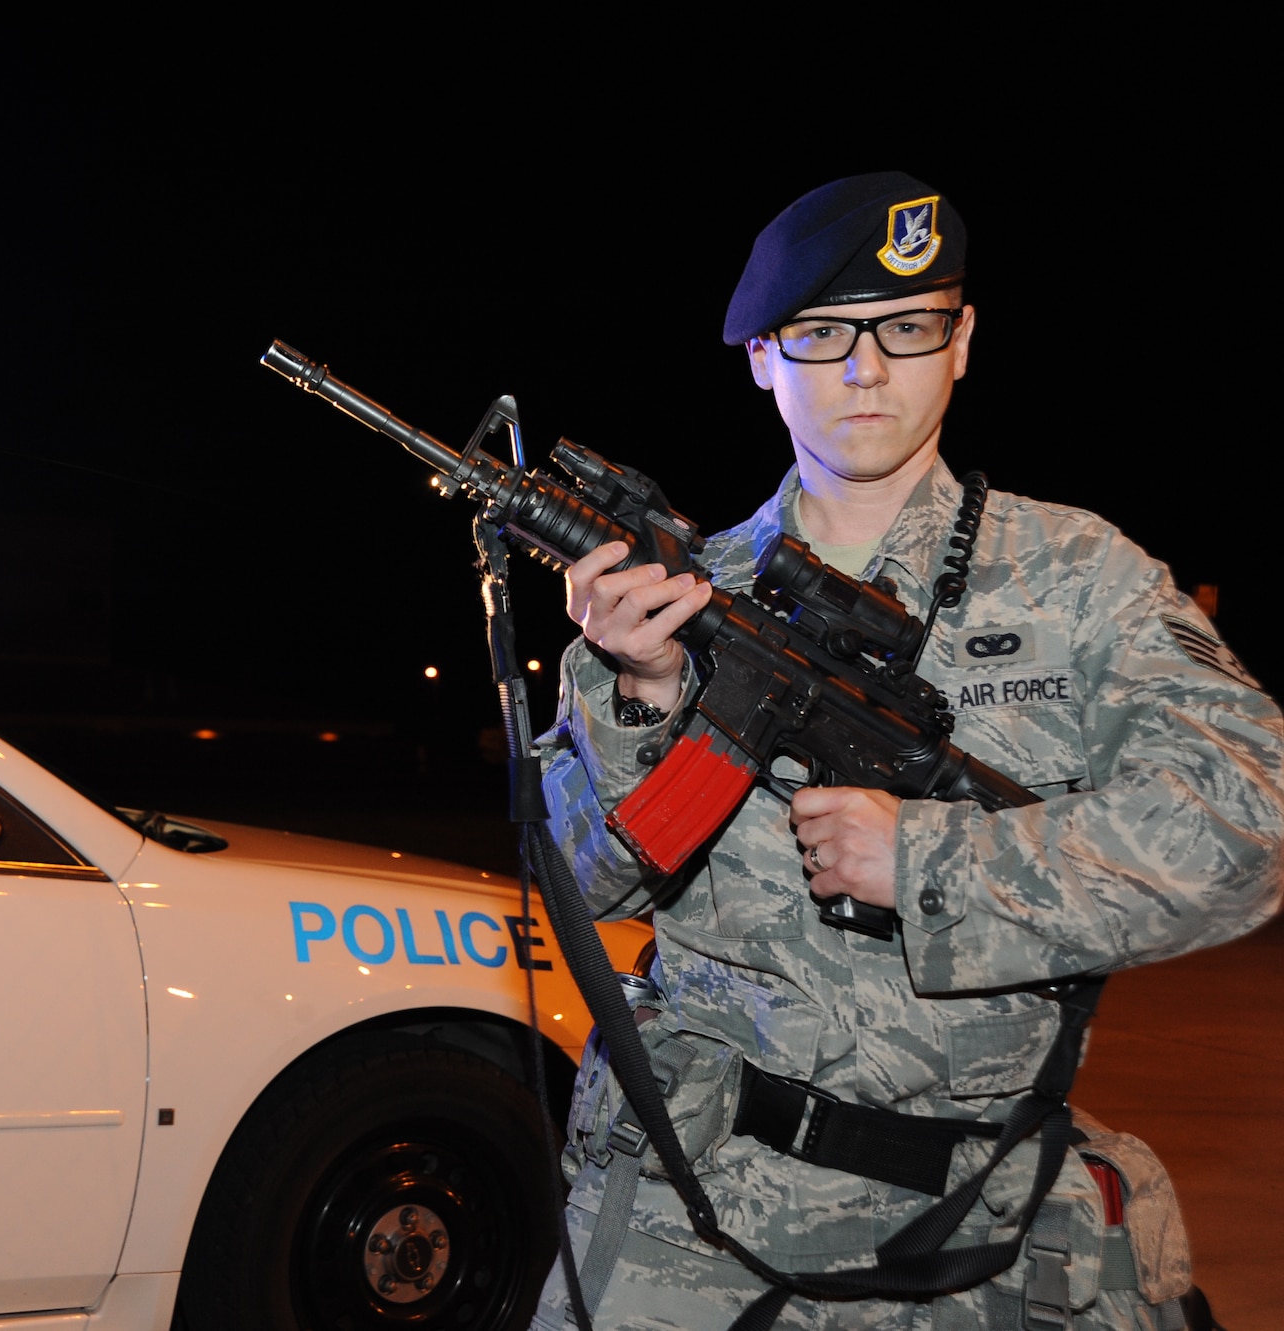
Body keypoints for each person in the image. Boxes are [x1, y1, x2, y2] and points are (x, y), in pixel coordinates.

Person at [532, 173, 1283, 1330]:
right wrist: (637, 697)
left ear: (961, 340)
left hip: (971, 1232)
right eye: (820, 334)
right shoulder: (671, 596)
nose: (863, 368)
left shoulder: (1083, 581)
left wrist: (930, 864)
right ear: (760, 360)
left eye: (905, 326)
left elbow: (1246, 821)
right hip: (683, 1226)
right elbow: (572, 884)